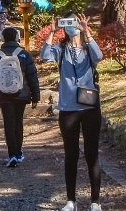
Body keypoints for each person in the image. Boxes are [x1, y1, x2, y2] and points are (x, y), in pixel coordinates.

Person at [40, 14, 105, 211]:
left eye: (74, 23)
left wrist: (86, 32)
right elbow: (44, 55)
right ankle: (71, 200)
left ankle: (95, 202)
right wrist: (51, 32)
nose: (71, 27)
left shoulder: (87, 48)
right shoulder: (61, 50)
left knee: (92, 154)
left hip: (90, 107)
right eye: (67, 23)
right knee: (71, 154)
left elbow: (99, 56)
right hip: (68, 107)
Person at [0, 27, 41, 168]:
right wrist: (35, 97)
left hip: (3, 94)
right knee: (18, 122)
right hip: (21, 93)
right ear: (17, 38)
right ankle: (19, 152)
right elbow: (32, 76)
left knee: (9, 124)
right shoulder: (24, 54)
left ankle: (12, 155)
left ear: (3, 38)